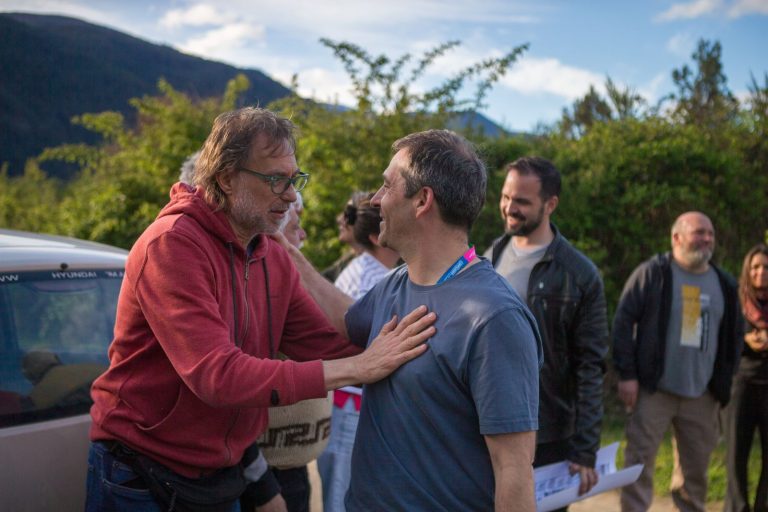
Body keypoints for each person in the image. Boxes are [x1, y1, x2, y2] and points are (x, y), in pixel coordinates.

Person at [85, 107, 437, 512]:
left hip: (220, 471)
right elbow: (218, 376)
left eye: (294, 179)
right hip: (143, 475)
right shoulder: (172, 245)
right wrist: (359, 368)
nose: (290, 195)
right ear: (226, 178)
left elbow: (324, 340)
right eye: (275, 180)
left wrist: (426, 342)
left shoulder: (268, 251)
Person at [278, 129, 543, 511]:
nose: (375, 200)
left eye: (387, 186)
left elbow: (514, 470)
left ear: (422, 200)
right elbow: (349, 319)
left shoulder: (494, 318)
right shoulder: (399, 281)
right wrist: (286, 252)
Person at [485, 156, 608, 504]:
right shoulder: (489, 257)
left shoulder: (580, 275)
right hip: (487, 425)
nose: (509, 208)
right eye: (506, 197)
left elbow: (591, 367)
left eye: (522, 201)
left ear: (550, 204)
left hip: (547, 434)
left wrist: (585, 449)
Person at [613, 211, 742, 512]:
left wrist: (725, 379)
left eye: (710, 233)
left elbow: (734, 336)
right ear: (676, 237)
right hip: (653, 391)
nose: (707, 239)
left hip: (702, 395)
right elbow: (623, 322)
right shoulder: (653, 274)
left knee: (695, 474)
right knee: (638, 466)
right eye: (699, 232)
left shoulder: (724, 283)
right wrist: (627, 374)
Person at [317, 192, 399, 512]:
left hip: (348, 405)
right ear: (378, 236)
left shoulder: (367, 269)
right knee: (342, 498)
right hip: (350, 406)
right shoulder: (371, 278)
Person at [724, 243, 768, 512]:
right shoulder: (735, 300)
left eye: (766, 267)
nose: (761, 272)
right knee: (736, 454)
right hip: (741, 384)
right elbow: (722, 339)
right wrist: (745, 340)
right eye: (755, 267)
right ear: (747, 270)